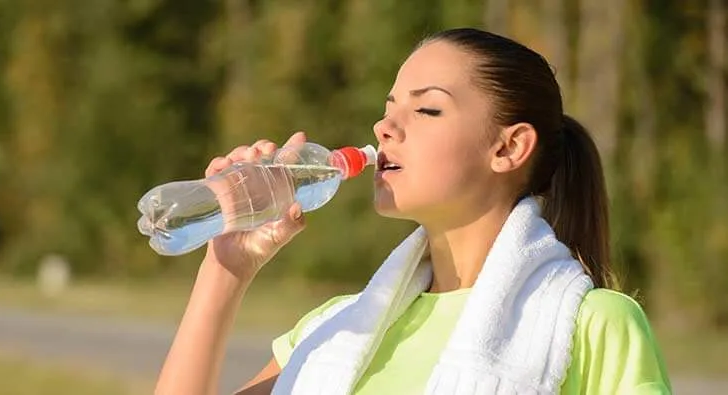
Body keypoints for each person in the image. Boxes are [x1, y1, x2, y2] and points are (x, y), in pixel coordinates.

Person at [153, 28, 673, 395]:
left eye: (426, 109)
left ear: (509, 148)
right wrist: (225, 271)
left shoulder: (592, 325)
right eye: (388, 108)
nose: (385, 128)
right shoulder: (333, 330)